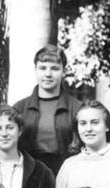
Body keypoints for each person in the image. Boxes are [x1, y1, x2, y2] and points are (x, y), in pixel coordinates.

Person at [12, 45, 82, 175]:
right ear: (36, 70)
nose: (48, 74)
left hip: (67, 171)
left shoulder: (78, 108)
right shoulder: (19, 108)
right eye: (42, 68)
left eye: (55, 68)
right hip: (29, 173)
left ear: (64, 71)